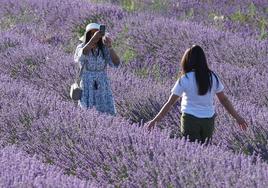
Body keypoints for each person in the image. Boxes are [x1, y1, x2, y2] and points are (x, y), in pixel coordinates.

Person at [147, 45, 248, 144]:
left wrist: (155, 120)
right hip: (208, 121)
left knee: (192, 150)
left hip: (190, 120)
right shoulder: (212, 77)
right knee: (205, 150)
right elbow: (224, 100)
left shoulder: (185, 79)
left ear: (187, 61)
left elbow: (170, 103)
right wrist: (237, 118)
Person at [74, 23, 120, 115]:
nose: (95, 36)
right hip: (87, 83)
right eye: (92, 34)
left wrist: (110, 47)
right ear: (87, 35)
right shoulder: (81, 47)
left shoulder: (103, 49)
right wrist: (92, 40)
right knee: (87, 112)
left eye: (97, 34)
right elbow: (82, 54)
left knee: (105, 112)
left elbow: (116, 63)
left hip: (102, 84)